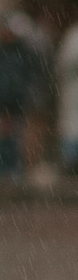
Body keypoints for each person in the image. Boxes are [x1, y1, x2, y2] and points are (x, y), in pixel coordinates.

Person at [0, 16, 49, 186]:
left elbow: (31, 77)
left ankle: (14, 173)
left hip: (17, 103)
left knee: (16, 140)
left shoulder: (23, 53)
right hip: (0, 102)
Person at [57, 10, 78, 182]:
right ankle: (71, 164)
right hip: (73, 91)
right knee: (72, 125)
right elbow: (65, 64)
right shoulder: (73, 36)